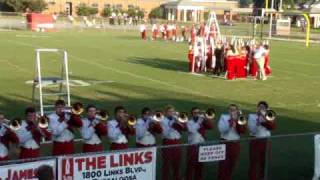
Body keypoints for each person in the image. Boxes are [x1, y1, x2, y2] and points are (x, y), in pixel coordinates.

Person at [248, 101, 276, 180]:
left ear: (266, 109)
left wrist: (264, 119)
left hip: (266, 142)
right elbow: (253, 130)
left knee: (265, 163)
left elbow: (272, 127)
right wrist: (258, 122)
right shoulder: (252, 116)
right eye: (259, 107)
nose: (261, 109)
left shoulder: (269, 116)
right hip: (255, 141)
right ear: (257, 108)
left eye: (263, 108)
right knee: (254, 163)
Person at [218, 104, 246, 180]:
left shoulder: (240, 119)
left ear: (237, 111)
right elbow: (222, 130)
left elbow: (243, 131)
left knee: (232, 165)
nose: (232, 111)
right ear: (228, 110)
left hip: (235, 144)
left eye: (234, 109)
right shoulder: (223, 117)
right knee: (223, 165)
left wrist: (237, 121)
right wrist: (231, 121)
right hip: (224, 143)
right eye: (230, 109)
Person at [186, 107, 214, 180]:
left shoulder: (203, 121)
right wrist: (199, 121)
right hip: (192, 146)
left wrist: (207, 118)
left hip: (201, 146)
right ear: (192, 114)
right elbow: (192, 130)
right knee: (191, 166)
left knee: (200, 166)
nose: (197, 114)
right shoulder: (189, 122)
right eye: (195, 113)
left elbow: (211, 127)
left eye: (198, 113)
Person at [160, 105, 186, 180]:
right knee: (167, 164)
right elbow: (165, 133)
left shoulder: (177, 119)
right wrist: (173, 124)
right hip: (167, 142)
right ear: (166, 113)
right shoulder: (163, 121)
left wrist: (178, 121)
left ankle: (176, 178)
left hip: (177, 142)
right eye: (170, 112)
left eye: (173, 111)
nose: (172, 113)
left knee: (177, 163)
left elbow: (184, 128)